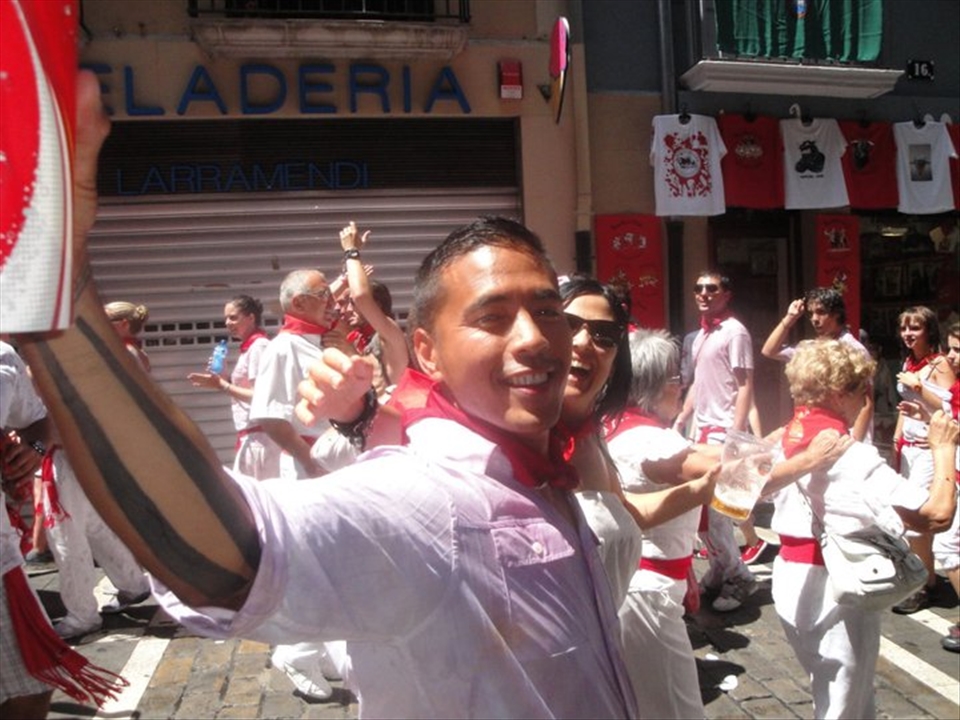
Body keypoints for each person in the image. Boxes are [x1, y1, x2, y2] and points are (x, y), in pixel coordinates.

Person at [768, 339, 958, 719]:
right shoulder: (849, 454)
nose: (866, 398)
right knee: (843, 705)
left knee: (840, 694)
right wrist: (943, 450)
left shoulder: (786, 434)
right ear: (840, 393)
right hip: (835, 587)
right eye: (861, 389)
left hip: (790, 577)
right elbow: (935, 516)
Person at [1, 340, 126, 718]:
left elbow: (43, 420)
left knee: (31, 686)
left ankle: (111, 597)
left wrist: (31, 449)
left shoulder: (5, 357)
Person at [673, 269, 757, 612]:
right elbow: (697, 383)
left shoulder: (735, 332)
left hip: (722, 432)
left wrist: (735, 436)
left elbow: (745, 385)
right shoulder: (700, 336)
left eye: (712, 288)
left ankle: (738, 576)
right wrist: (682, 416)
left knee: (720, 513)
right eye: (698, 288)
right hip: (701, 430)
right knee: (703, 515)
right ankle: (722, 569)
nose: (704, 294)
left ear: (727, 294)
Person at [891, 306, 957, 614]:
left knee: (918, 520)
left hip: (932, 451)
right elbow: (907, 404)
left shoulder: (941, 364)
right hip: (909, 448)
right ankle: (925, 578)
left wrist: (919, 387)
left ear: (929, 330)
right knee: (907, 515)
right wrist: (898, 433)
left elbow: (950, 410)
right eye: (904, 328)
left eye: (914, 328)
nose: (908, 334)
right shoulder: (909, 361)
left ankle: (923, 585)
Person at [249, 270, 338, 481]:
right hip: (311, 470)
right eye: (325, 295)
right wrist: (311, 463)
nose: (334, 303)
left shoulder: (316, 343)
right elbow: (270, 417)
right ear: (299, 304)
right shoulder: (282, 347)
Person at [761, 287, 874, 442]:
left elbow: (866, 404)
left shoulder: (853, 349)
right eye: (811, 313)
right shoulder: (811, 348)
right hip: (819, 435)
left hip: (848, 438)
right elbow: (769, 351)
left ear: (837, 314)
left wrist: (853, 443)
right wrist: (790, 318)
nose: (814, 318)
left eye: (821, 312)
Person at [187, 295, 282, 479]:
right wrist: (224, 378)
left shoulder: (258, 347)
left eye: (233, 317)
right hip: (254, 438)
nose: (228, 323)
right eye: (226, 318)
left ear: (251, 317)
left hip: (261, 440)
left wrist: (222, 385)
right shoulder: (250, 348)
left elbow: (259, 396)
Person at [339, 222, 410, 390]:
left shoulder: (389, 333)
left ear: (376, 305)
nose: (346, 309)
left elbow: (361, 296)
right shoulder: (359, 339)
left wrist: (351, 252)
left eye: (352, 304)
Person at [103, 301, 151, 372]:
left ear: (124, 324)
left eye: (106, 321)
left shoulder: (127, 352)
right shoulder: (137, 351)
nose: (101, 324)